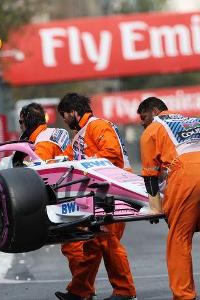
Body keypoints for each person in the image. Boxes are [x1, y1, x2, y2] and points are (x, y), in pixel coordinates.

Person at [137, 97, 200, 300]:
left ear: (155, 111)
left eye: (143, 117)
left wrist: (156, 208)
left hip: (186, 178)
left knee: (179, 239)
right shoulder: (193, 122)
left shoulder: (153, 129)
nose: (142, 123)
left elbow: (150, 175)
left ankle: (184, 295)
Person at [55, 93, 136, 300]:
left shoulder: (97, 125)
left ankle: (125, 292)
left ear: (73, 111)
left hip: (116, 190)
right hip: (99, 194)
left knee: (107, 241)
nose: (65, 122)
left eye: (65, 116)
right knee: (94, 243)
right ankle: (80, 291)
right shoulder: (80, 135)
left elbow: (112, 153)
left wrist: (82, 163)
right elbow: (71, 161)